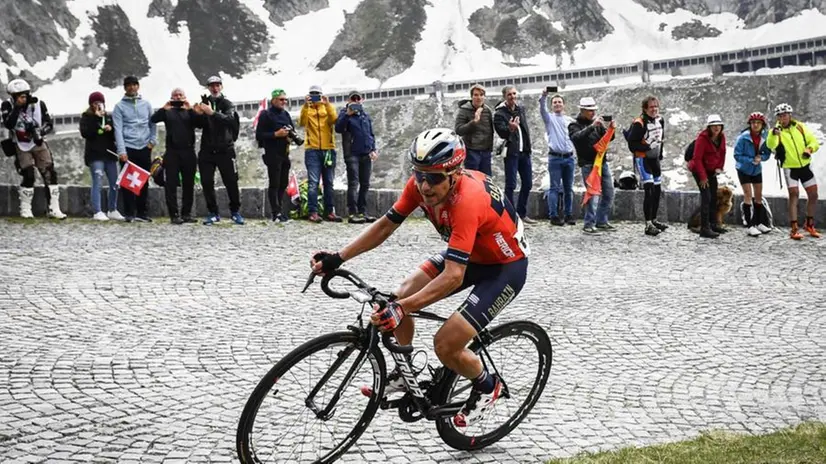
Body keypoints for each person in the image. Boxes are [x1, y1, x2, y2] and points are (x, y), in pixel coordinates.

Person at [310, 128, 529, 428]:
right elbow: (385, 226)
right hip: (469, 254)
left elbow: (453, 276)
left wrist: (402, 310)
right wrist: (339, 256)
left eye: (434, 178)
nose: (425, 185)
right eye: (419, 174)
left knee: (445, 344)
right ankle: (405, 371)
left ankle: (487, 385)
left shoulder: (467, 199)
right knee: (399, 294)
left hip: (504, 268)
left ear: (455, 173)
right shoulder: (420, 185)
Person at [1, 78, 66, 219]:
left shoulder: (38, 105)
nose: (23, 98)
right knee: (28, 173)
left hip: (38, 143)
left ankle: (54, 208)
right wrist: (17, 108)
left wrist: (40, 132)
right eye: (19, 96)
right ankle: (25, 209)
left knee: (50, 172)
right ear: (13, 96)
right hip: (20, 144)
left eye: (25, 95)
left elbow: (49, 124)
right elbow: (8, 124)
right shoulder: (7, 105)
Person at [195, 75, 244, 225]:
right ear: (208, 88)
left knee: (231, 181)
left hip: (225, 149)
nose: (215, 88)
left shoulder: (227, 103)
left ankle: (235, 211)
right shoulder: (205, 102)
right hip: (207, 150)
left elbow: (229, 120)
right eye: (212, 86)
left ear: (221, 87)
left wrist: (212, 113)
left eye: (217, 85)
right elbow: (198, 125)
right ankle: (213, 212)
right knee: (207, 182)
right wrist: (196, 113)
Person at [766, 103, 820, 240]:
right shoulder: (776, 131)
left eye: (785, 115)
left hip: (805, 165)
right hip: (789, 167)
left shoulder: (800, 127)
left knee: (813, 194)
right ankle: (794, 228)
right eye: (780, 116)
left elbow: (813, 141)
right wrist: (773, 135)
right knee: (794, 194)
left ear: (790, 115)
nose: (783, 118)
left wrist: (809, 149)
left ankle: (810, 224)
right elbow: (770, 145)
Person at [568, 97, 616, 234]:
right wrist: (592, 127)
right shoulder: (574, 125)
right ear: (582, 111)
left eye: (593, 110)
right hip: (588, 164)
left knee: (608, 192)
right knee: (592, 194)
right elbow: (576, 138)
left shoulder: (598, 124)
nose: (592, 113)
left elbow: (607, 139)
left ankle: (602, 220)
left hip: (601, 162)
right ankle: (588, 223)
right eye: (589, 111)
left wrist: (611, 129)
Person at [150, 88, 198, 224]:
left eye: (180, 95)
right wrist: (164, 108)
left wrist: (190, 110)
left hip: (189, 151)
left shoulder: (190, 112)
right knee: (170, 184)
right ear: (171, 98)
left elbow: (200, 123)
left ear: (185, 97)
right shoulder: (168, 112)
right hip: (172, 152)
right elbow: (154, 119)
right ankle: (174, 214)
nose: (178, 98)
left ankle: (186, 213)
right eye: (175, 96)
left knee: (189, 183)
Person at [113, 75, 156, 222]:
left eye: (134, 84)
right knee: (127, 182)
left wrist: (152, 141)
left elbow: (152, 123)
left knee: (143, 180)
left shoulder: (147, 104)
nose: (132, 87)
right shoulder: (119, 107)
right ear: (125, 88)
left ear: (138, 86)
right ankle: (129, 213)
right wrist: (121, 150)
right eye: (128, 85)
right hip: (128, 147)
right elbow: (117, 129)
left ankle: (142, 213)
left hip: (144, 147)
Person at [626, 96, 668, 236]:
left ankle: (654, 219)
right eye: (651, 107)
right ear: (645, 109)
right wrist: (648, 146)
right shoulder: (639, 123)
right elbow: (632, 145)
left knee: (657, 190)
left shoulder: (660, 120)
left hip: (654, 159)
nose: (654, 109)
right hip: (643, 158)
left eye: (656, 106)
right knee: (649, 190)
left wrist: (659, 154)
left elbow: (661, 138)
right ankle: (648, 224)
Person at [493, 86, 536, 224]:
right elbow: (501, 132)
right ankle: (510, 216)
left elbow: (524, 129)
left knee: (528, 183)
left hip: (525, 152)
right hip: (512, 153)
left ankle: (522, 213)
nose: (512, 96)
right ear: (504, 96)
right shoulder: (499, 114)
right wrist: (509, 128)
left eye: (514, 93)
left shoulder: (520, 109)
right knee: (511, 184)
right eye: (509, 94)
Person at [79, 91, 124, 221]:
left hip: (109, 154)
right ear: (91, 105)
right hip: (95, 155)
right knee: (97, 182)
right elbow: (86, 133)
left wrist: (111, 129)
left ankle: (112, 209)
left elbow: (115, 134)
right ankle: (97, 211)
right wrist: (95, 118)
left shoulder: (108, 117)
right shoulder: (86, 117)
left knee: (115, 182)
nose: (98, 105)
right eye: (95, 103)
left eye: (100, 103)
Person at [300, 84, 341, 223]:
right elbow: (302, 122)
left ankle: (329, 212)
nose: (315, 96)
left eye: (317, 94)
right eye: (312, 94)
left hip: (328, 149)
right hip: (312, 150)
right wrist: (306, 106)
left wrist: (327, 104)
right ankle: (313, 212)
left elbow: (334, 120)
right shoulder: (307, 109)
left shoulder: (327, 108)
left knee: (329, 182)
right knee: (313, 182)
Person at [336, 90, 378, 224]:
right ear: (348, 100)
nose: (356, 101)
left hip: (366, 153)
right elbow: (338, 128)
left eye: (358, 98)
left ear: (362, 100)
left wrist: (373, 149)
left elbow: (370, 134)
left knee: (365, 183)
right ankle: (352, 212)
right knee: (353, 183)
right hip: (352, 153)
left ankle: (363, 211)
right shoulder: (344, 114)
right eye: (353, 99)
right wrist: (347, 115)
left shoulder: (365, 115)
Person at [256, 88, 295, 223]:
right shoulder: (265, 115)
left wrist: (291, 137)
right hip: (272, 154)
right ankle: (275, 212)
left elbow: (292, 131)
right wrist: (275, 134)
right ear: (273, 100)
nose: (284, 102)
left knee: (283, 183)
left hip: (285, 153)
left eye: (285, 99)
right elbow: (259, 135)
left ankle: (281, 210)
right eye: (281, 99)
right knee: (275, 183)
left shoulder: (286, 114)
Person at [733, 112, 772, 236]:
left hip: (756, 169)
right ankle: (750, 225)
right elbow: (737, 155)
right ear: (750, 124)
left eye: (758, 123)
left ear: (762, 125)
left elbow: (767, 153)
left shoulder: (764, 137)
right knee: (748, 195)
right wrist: (751, 160)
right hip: (743, 169)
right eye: (753, 123)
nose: (755, 125)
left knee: (759, 195)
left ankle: (759, 222)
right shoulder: (743, 137)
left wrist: (762, 158)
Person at [689, 115, 728, 239]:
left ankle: (713, 224)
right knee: (706, 197)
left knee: (713, 196)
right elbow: (697, 158)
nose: (716, 128)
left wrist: (719, 167)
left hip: (711, 170)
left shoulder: (721, 138)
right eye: (713, 126)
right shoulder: (702, 138)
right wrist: (703, 177)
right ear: (709, 127)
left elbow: (723, 153)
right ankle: (704, 227)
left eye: (718, 125)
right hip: (699, 169)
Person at [540, 91, 576, 225]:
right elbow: (542, 109)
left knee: (568, 188)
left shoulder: (570, 121)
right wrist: (543, 96)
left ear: (564, 105)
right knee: (554, 187)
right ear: (551, 106)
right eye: (554, 102)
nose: (557, 104)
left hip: (569, 157)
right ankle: (553, 215)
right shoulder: (549, 119)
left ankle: (569, 214)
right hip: (555, 157)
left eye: (559, 102)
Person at [454, 84, 494, 176]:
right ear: (471, 97)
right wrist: (474, 122)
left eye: (481, 95)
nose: (478, 97)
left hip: (486, 152)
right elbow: (458, 130)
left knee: (486, 180)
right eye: (476, 95)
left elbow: (491, 130)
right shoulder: (464, 110)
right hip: (472, 151)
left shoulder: (487, 110)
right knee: (472, 179)